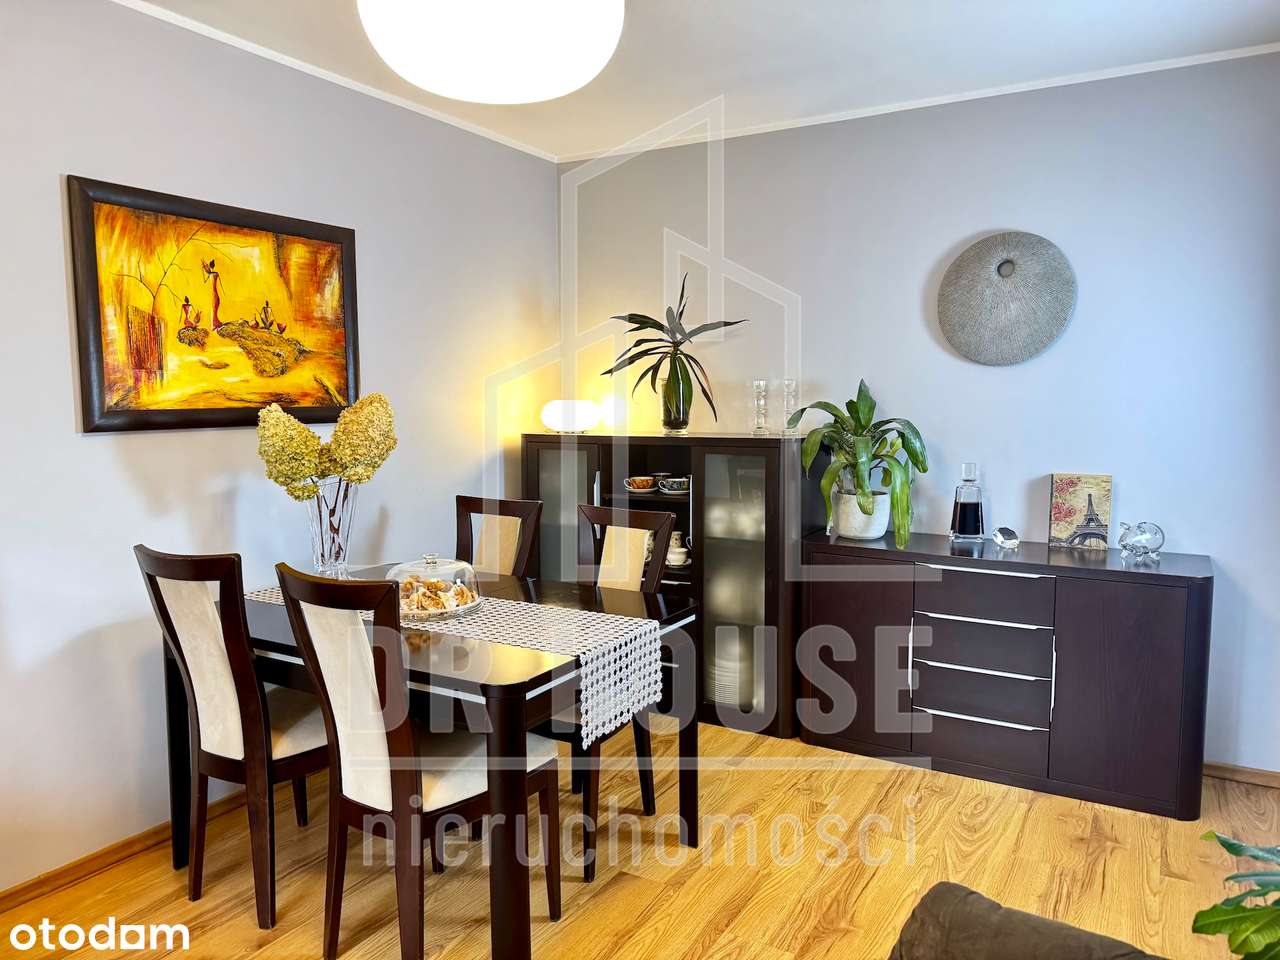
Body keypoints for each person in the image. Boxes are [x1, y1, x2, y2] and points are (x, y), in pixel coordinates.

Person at [201, 259, 223, 329]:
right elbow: (220, 283)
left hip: (213, 293)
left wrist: (203, 270)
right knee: (215, 306)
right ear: (214, 266)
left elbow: (204, 281)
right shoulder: (216, 273)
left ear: (210, 266)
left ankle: (215, 322)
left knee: (214, 307)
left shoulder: (210, 274)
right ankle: (214, 323)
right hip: (215, 293)